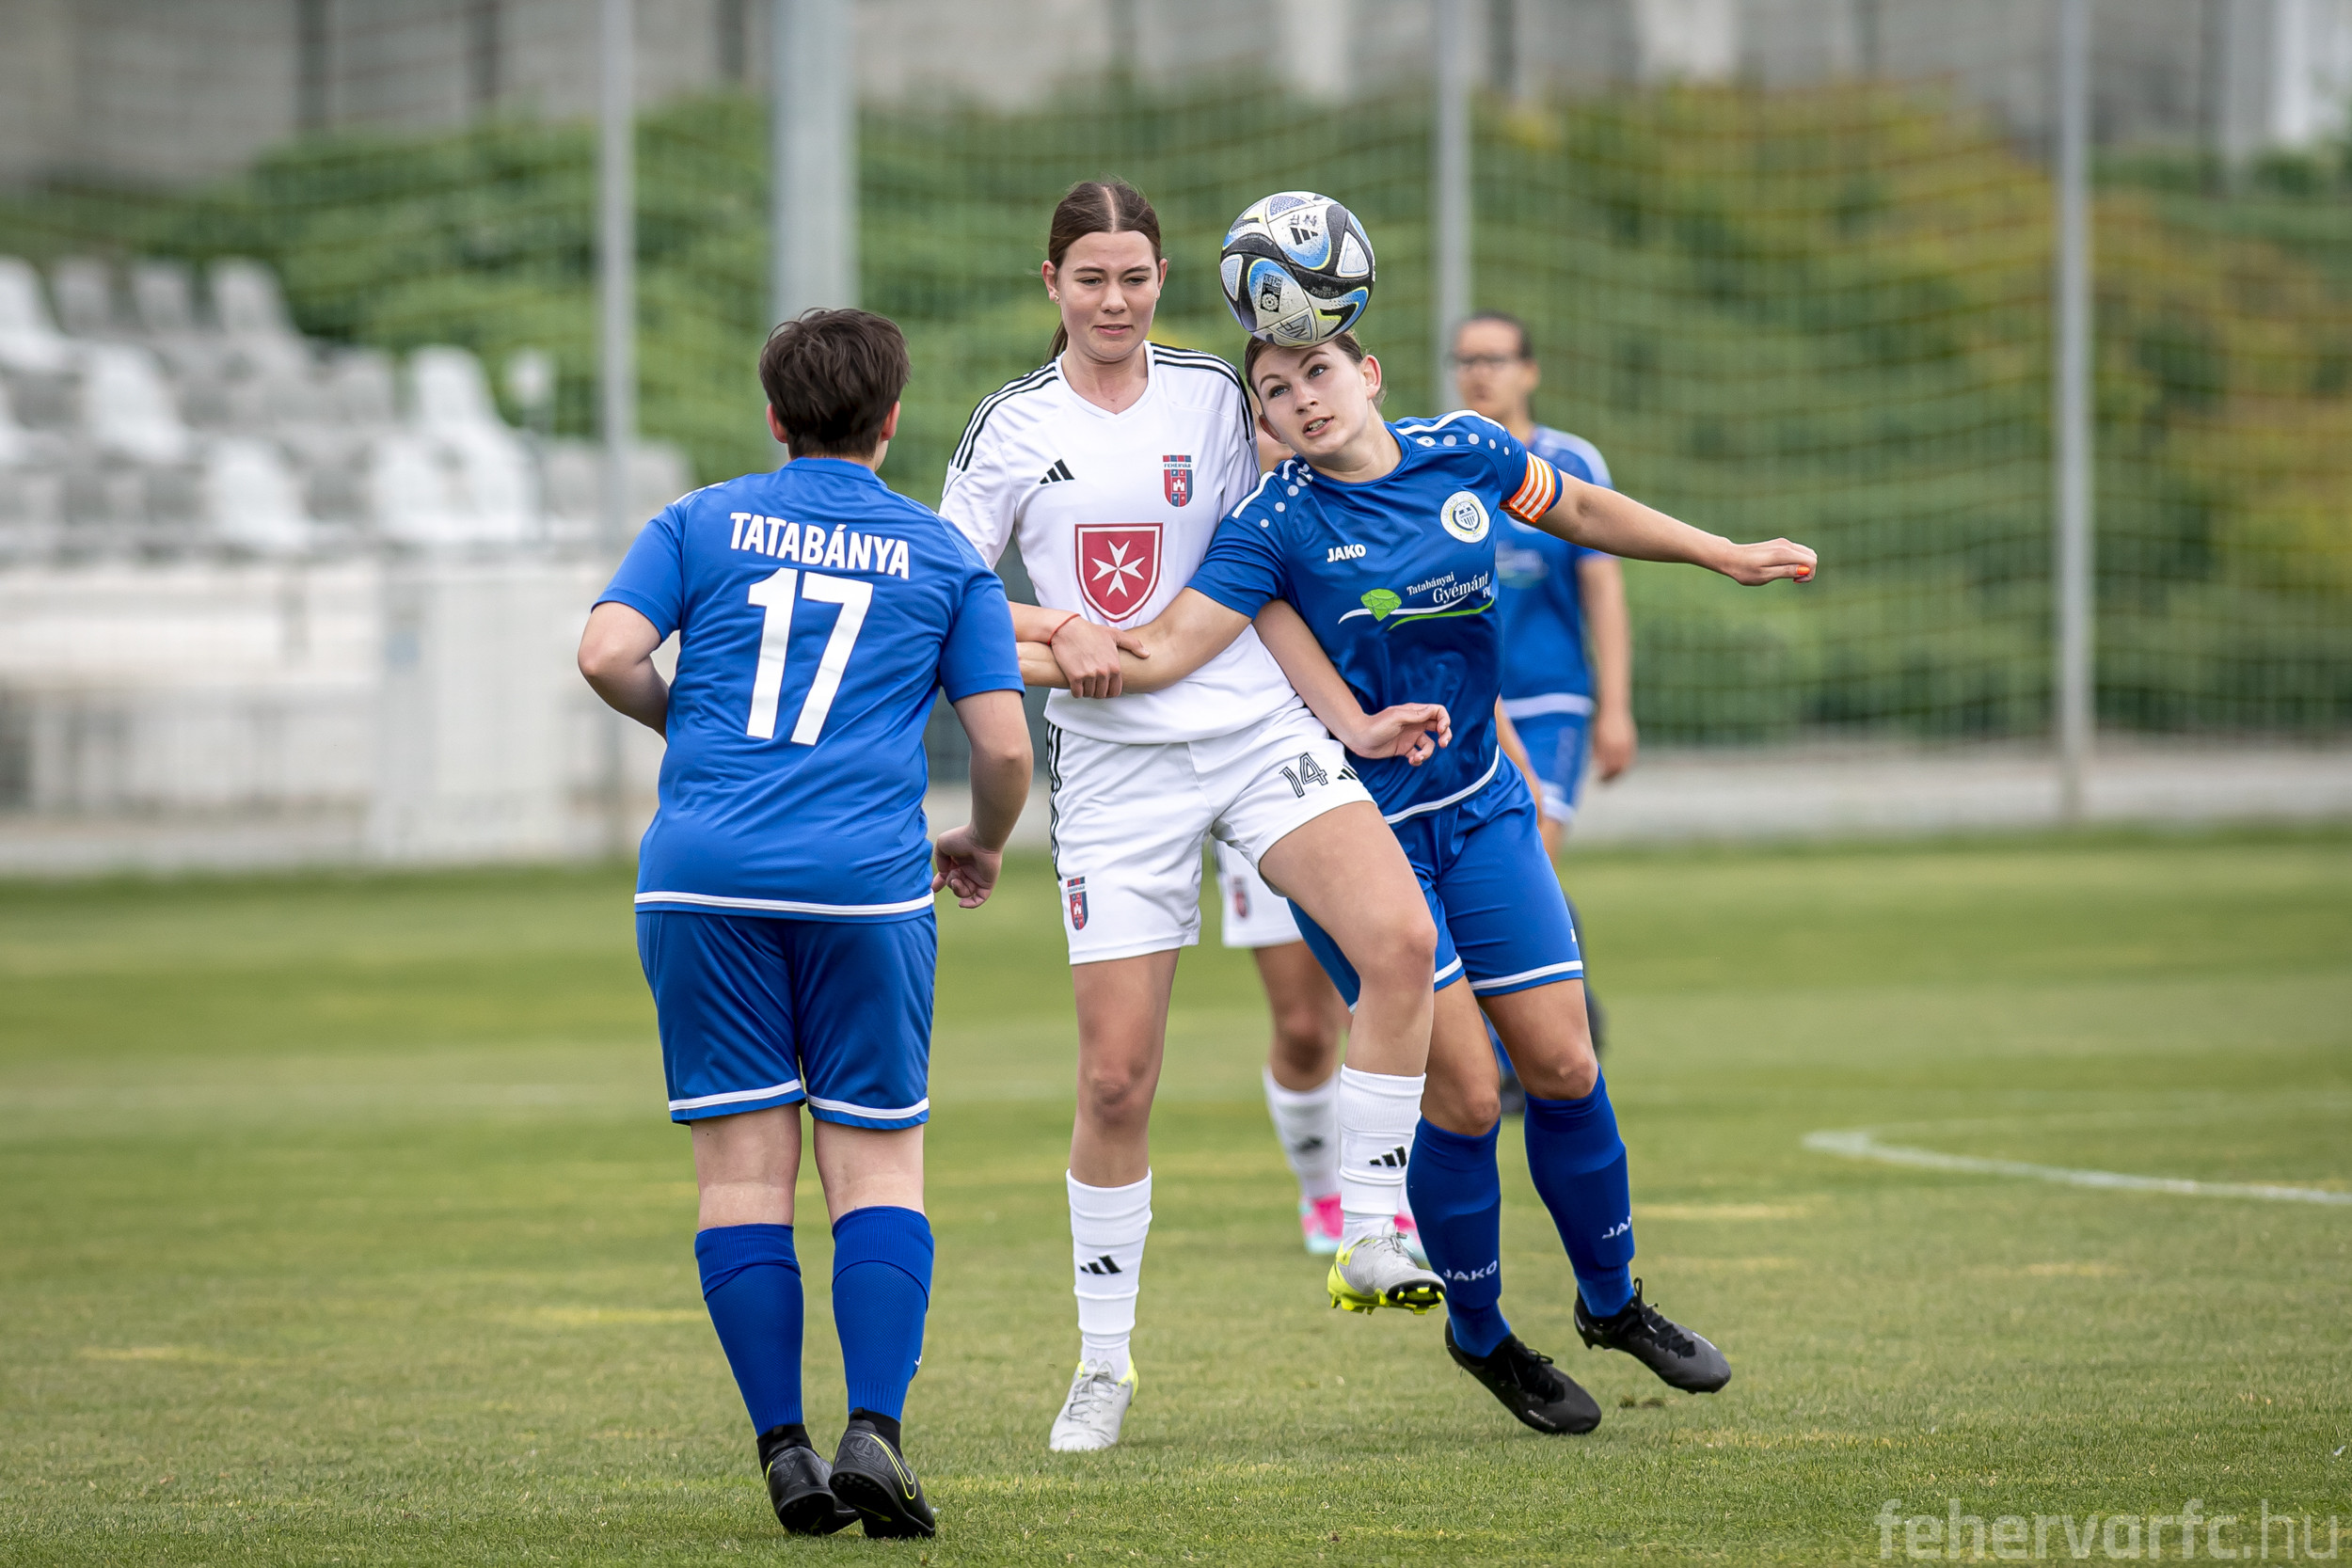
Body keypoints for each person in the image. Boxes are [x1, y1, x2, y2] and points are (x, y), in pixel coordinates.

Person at [1019, 329, 1815, 1433]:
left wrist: (1717, 550)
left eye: (1318, 373)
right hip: (1357, 831)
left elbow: (1581, 508)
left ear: (1370, 374)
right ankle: (1482, 1333)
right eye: (1275, 390)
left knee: (1565, 1061)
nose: (1302, 399)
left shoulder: (1463, 450)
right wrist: (969, 632)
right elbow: (1156, 650)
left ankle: (1613, 1301)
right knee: (1468, 1095)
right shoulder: (1270, 523)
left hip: (1483, 803)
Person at [937, 181, 1446, 1454]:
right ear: (1051, 282)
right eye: (1090, 278)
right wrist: (1060, 631)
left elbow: (1265, 572)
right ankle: (1102, 1364)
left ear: (1167, 279)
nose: (1114, 300)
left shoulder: (1223, 395)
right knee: (1116, 1078)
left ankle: (1371, 1224)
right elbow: (948, 601)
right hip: (1115, 773)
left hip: (1260, 731)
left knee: (1398, 941)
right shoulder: (1010, 424)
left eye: (1135, 277)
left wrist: (1350, 720)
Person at [577, 309, 1034, 1538]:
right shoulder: (941, 556)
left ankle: (784, 1448)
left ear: (774, 417)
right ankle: (873, 1429)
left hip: (699, 876)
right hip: (862, 881)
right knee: (874, 1161)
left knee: (741, 1172)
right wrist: (983, 839)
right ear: (893, 420)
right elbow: (1002, 748)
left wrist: (686, 724)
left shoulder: (700, 520)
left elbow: (606, 651)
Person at [1454, 311, 1631, 1101]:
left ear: (1529, 370)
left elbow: (1603, 587)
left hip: (1553, 700)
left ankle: (1512, 1057)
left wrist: (1615, 706)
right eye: (1466, 359)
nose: (1479, 372)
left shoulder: (1570, 462)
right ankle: (1561, 1014)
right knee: (1491, 872)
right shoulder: (1441, 462)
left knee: (1526, 857)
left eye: (1494, 358)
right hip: (1470, 708)